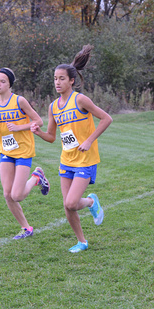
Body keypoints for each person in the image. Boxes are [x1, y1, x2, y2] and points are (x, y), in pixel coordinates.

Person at [31, 45, 112, 253]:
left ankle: (92, 201)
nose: (57, 82)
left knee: (73, 202)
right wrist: (38, 133)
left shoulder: (80, 100)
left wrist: (89, 141)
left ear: (71, 81)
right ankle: (82, 242)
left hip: (85, 159)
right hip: (66, 160)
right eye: (55, 79)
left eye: (62, 79)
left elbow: (106, 119)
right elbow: (51, 137)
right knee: (67, 206)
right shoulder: (53, 107)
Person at [0, 68, 50, 240]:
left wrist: (19, 127)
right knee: (7, 194)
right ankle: (26, 228)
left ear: (9, 84)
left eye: (2, 81)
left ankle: (37, 177)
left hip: (23, 151)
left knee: (17, 195)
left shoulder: (19, 101)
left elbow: (39, 121)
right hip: (6, 151)